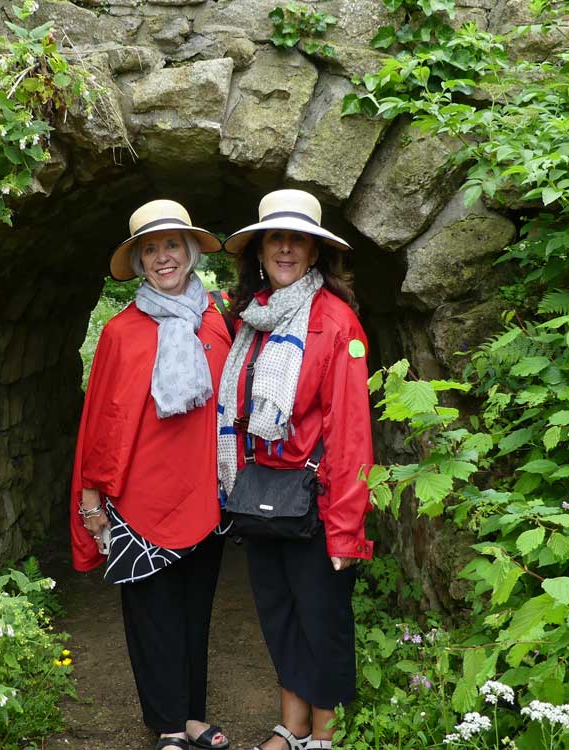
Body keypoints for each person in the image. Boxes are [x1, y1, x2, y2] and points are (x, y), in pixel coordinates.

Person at [70, 199, 232, 750]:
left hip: (205, 494)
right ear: (138, 262)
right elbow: (102, 421)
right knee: (152, 615)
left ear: (189, 253)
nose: (163, 257)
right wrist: (93, 500)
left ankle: (191, 714)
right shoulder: (121, 332)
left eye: (171, 245)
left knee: (194, 611)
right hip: (139, 497)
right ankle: (167, 723)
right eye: (150, 249)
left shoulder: (216, 322)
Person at [216, 189, 374, 750]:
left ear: (314, 252)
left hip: (314, 499)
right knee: (278, 613)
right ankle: (293, 727)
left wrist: (346, 527)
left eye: (297, 239)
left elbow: (351, 429)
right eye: (275, 238)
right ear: (259, 250)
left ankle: (325, 739)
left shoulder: (336, 323)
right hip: (259, 492)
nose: (285, 248)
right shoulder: (252, 317)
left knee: (321, 621)